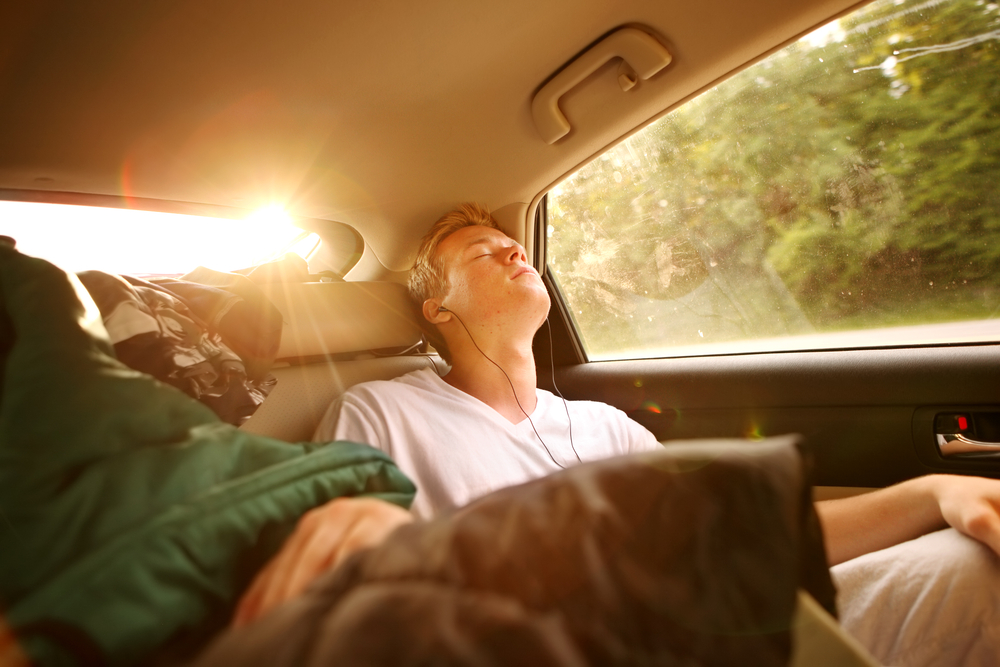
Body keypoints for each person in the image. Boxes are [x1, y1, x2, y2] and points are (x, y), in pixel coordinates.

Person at [237, 204, 1000, 661]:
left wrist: (931, 491)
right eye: (480, 250)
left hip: (697, 625)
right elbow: (344, 588)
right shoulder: (381, 412)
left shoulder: (605, 424)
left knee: (969, 566)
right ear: (437, 308)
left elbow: (740, 534)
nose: (513, 248)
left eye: (514, 241)